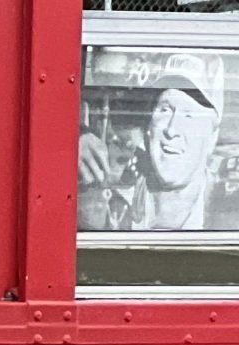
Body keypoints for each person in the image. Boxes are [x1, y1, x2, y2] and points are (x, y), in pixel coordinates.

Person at [80, 53, 226, 231]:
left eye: (189, 115)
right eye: (165, 110)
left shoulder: (227, 211)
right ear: (149, 126)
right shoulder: (109, 200)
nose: (172, 130)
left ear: (213, 136)